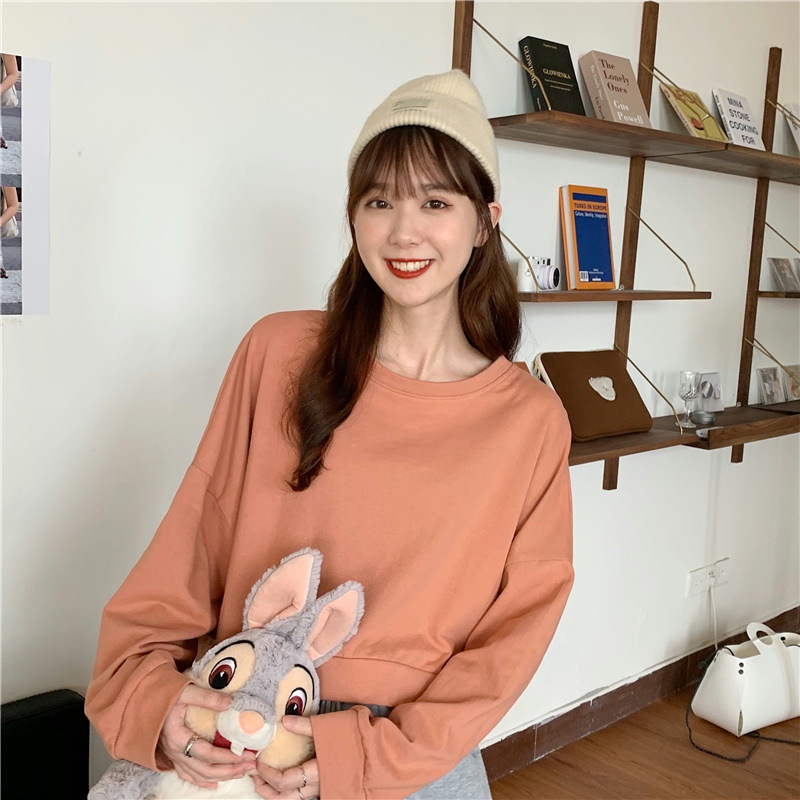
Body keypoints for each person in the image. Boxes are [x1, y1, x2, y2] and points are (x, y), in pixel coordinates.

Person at [85, 69, 574, 800]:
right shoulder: (278, 354)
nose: (403, 232)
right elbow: (192, 545)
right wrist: (156, 707)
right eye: (379, 202)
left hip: (406, 754)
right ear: (353, 218)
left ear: (485, 222)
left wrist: (365, 759)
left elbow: (510, 643)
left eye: (435, 202)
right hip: (240, 722)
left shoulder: (529, 420)